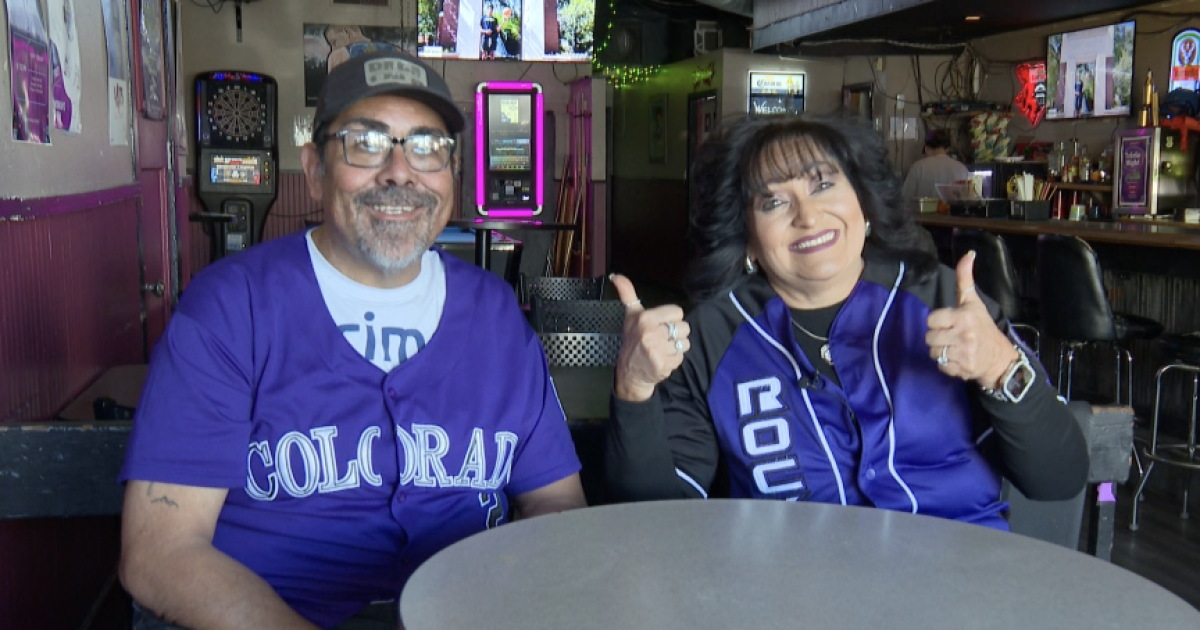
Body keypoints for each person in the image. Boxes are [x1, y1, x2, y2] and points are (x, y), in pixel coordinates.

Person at [118, 50, 586, 630]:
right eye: (366, 143)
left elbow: (555, 502)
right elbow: (161, 552)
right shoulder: (229, 308)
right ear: (313, 168)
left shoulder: (496, 315)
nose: (399, 171)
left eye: (427, 146)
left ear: (452, 173)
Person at [605, 115, 1088, 530]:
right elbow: (654, 518)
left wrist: (1001, 367)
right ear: (747, 236)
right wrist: (634, 387)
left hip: (959, 584)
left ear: (864, 203)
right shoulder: (714, 336)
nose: (808, 216)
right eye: (774, 201)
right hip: (790, 597)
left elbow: (1059, 478)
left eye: (824, 184)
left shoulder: (939, 296)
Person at [900, 129, 969, 201]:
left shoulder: (918, 167)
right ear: (947, 149)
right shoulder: (962, 168)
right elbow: (967, 197)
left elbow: (906, 196)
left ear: (926, 148)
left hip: (923, 211)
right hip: (954, 211)